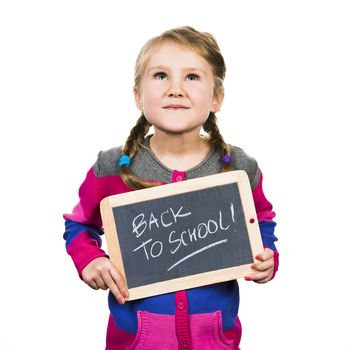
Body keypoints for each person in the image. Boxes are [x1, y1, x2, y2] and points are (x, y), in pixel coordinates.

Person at [63, 26, 279, 350]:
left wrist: (267, 254)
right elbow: (79, 224)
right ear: (138, 95)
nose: (176, 89)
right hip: (135, 340)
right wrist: (89, 259)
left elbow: (261, 217)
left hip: (215, 340)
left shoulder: (237, 167)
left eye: (192, 77)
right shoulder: (112, 167)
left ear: (217, 97)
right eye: (161, 75)